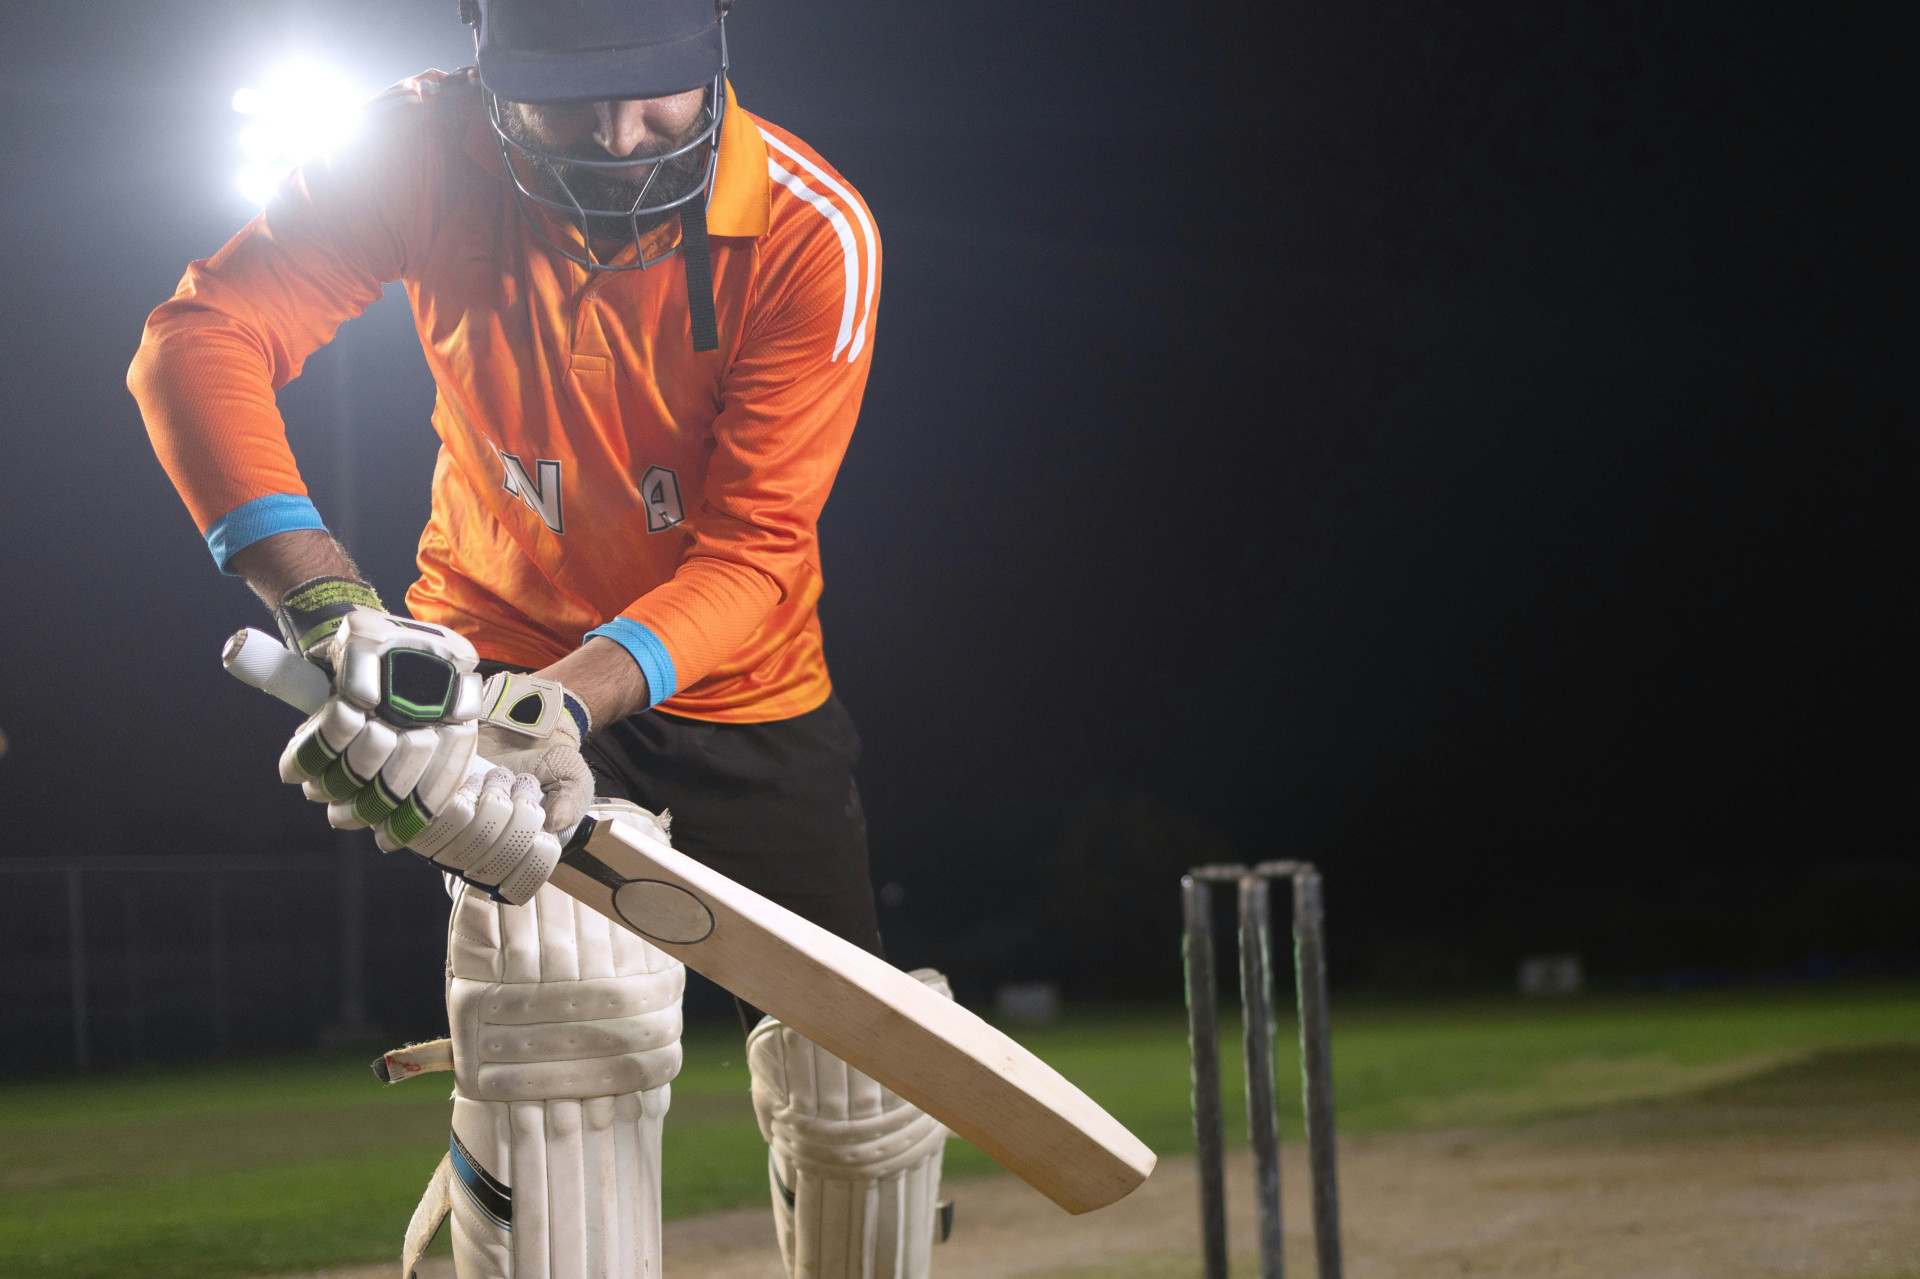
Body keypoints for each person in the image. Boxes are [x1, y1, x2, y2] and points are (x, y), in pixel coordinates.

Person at [128, 2, 950, 1276]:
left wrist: (561, 703)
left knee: (861, 1087)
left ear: (716, 49)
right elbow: (201, 339)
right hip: (496, 647)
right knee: (561, 1026)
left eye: (657, 88)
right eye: (570, 97)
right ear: (489, 71)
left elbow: (753, 551)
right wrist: (327, 607)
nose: (620, 138)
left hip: (741, 692)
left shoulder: (807, 229)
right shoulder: (415, 147)